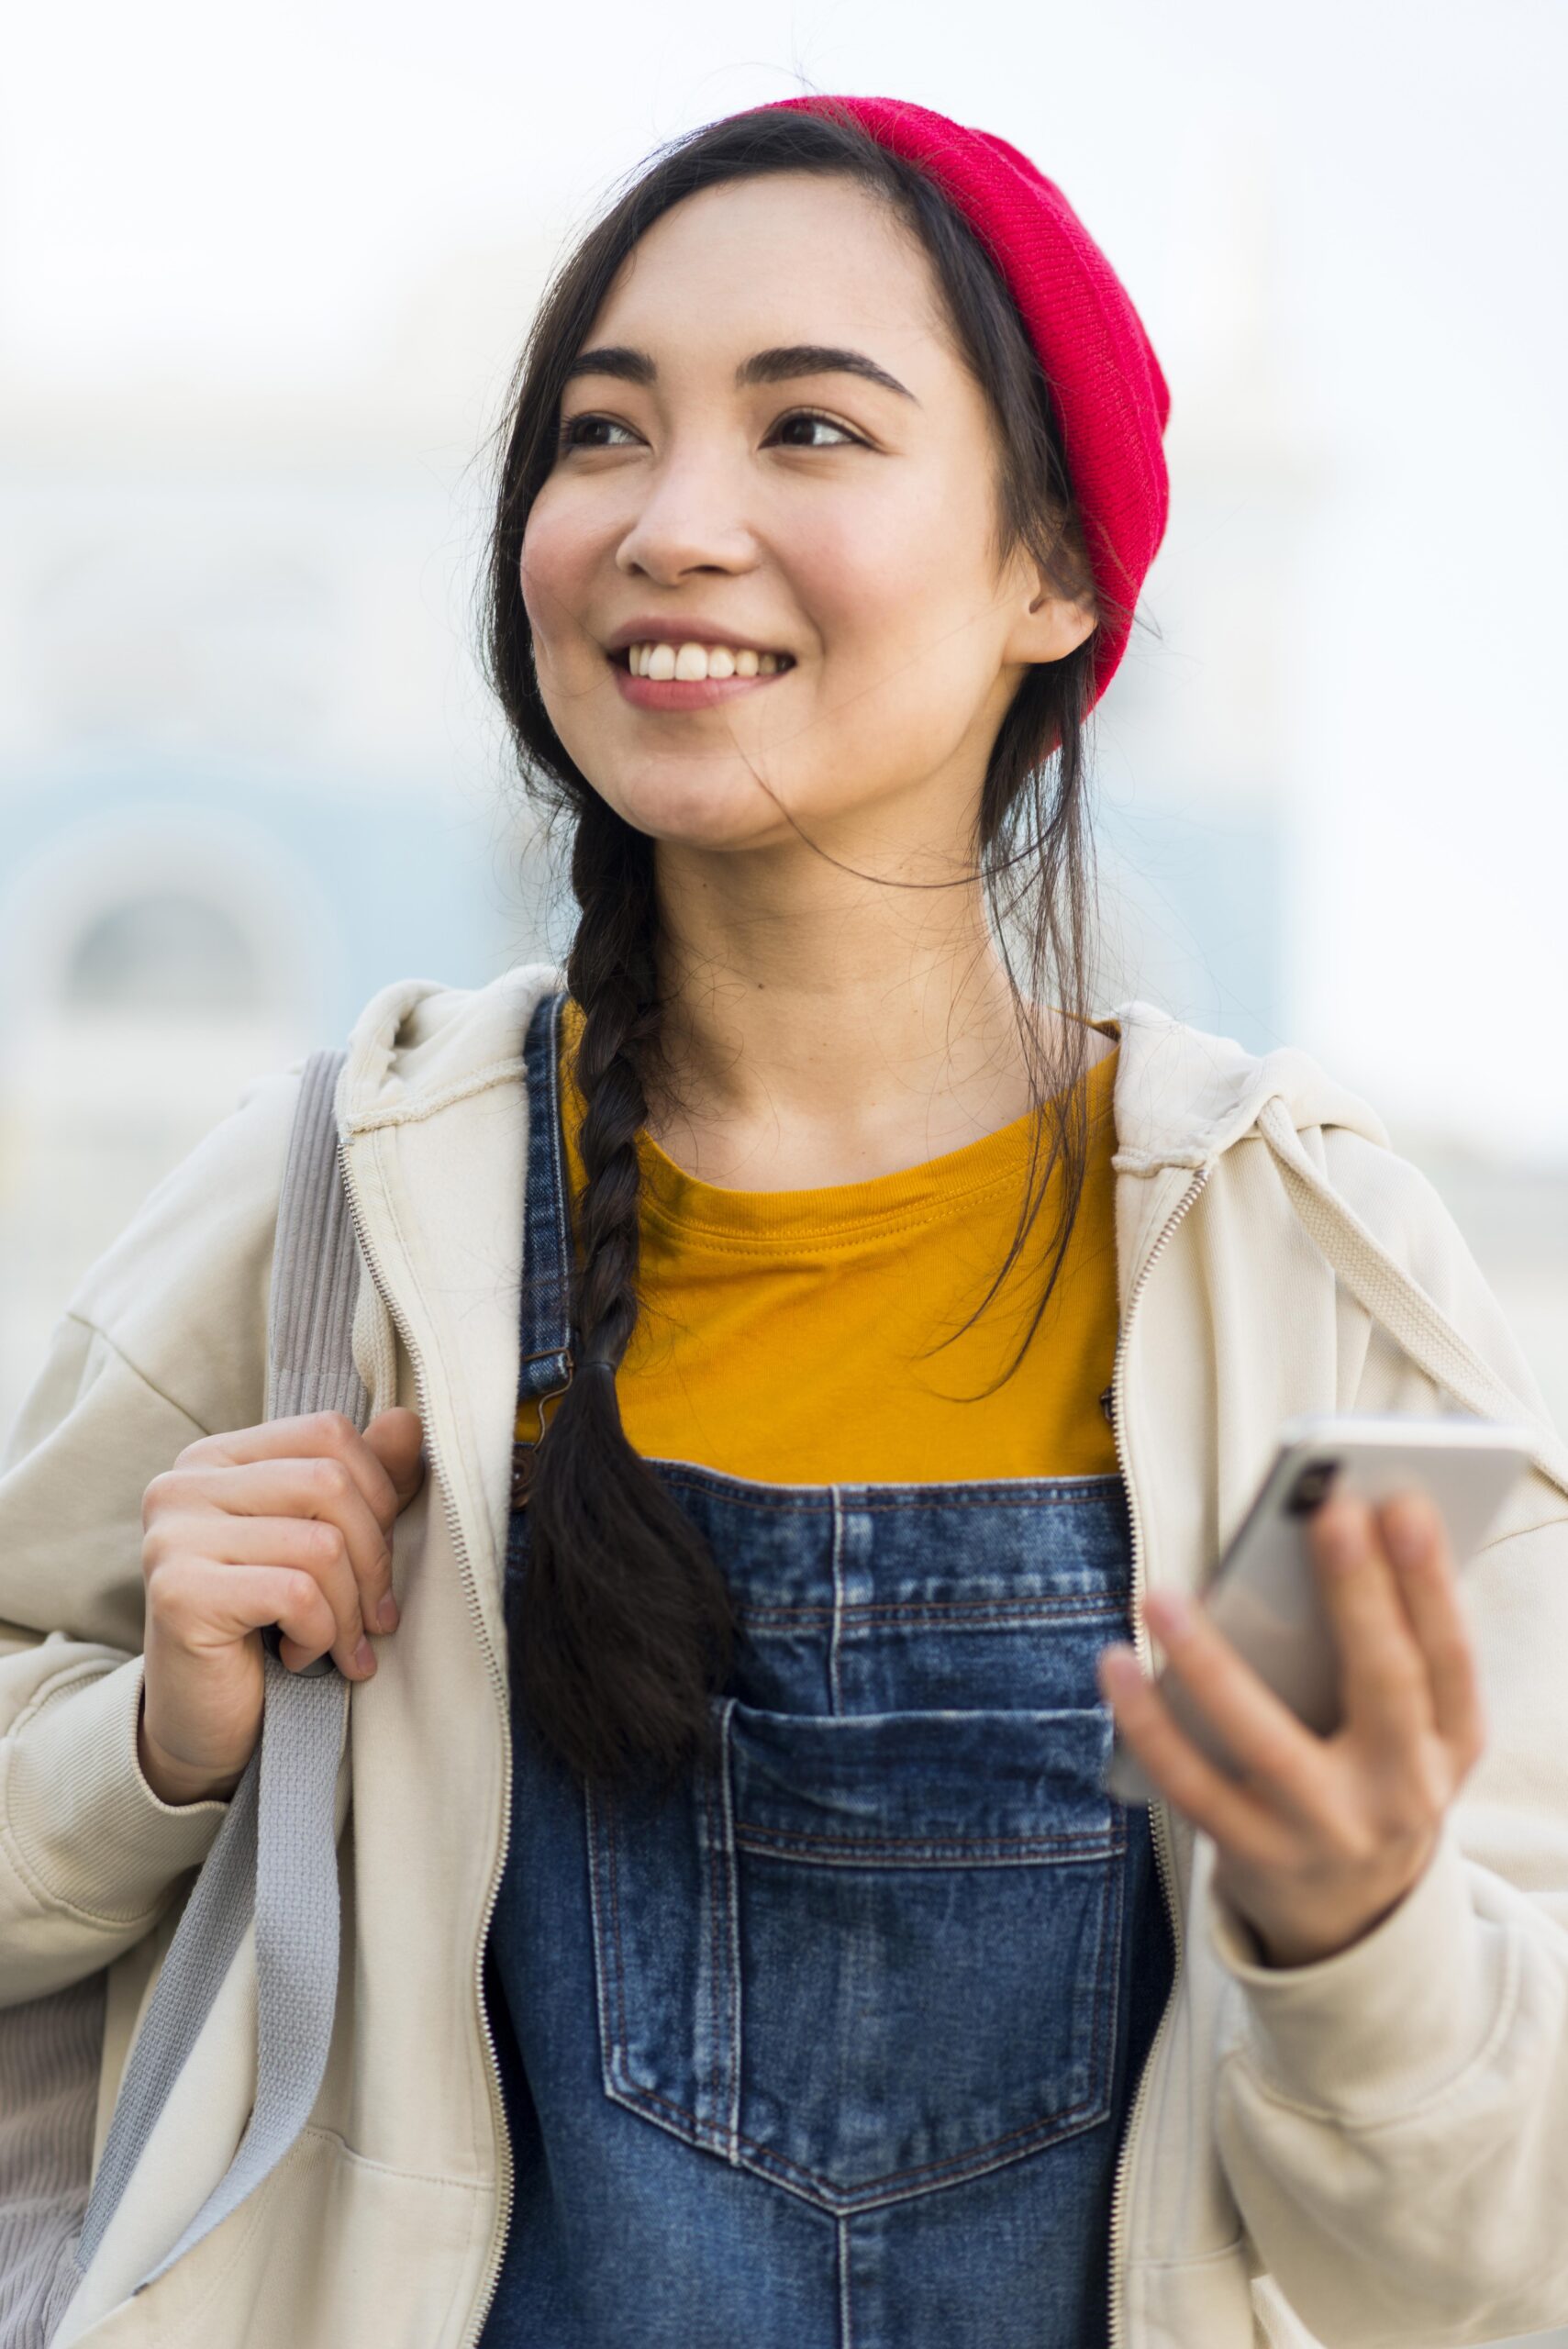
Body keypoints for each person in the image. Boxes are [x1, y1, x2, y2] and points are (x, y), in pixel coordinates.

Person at [2, 91, 1566, 2349]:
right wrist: (155, 1738)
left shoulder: (1286, 1253)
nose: (673, 521)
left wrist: (1357, 1931)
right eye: (603, 434)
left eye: (811, 428)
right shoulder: (338, 1201)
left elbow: (1508, 2238)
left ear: (1058, 575)